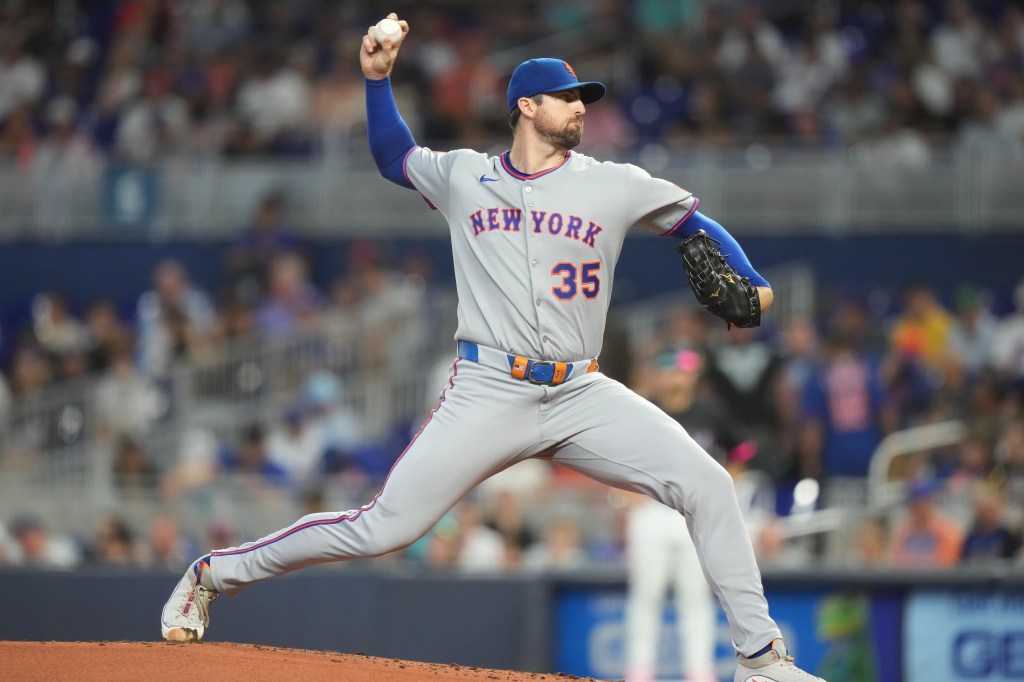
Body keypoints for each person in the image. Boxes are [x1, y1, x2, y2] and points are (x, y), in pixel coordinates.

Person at [160, 14, 823, 682]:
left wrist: (758, 287)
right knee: (381, 528)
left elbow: (695, 226)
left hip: (578, 391)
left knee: (707, 483)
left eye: (584, 100)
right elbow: (395, 157)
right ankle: (215, 574)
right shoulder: (463, 176)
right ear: (527, 107)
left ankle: (760, 661)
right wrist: (377, 80)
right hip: (488, 388)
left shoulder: (614, 182)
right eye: (568, 98)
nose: (580, 109)